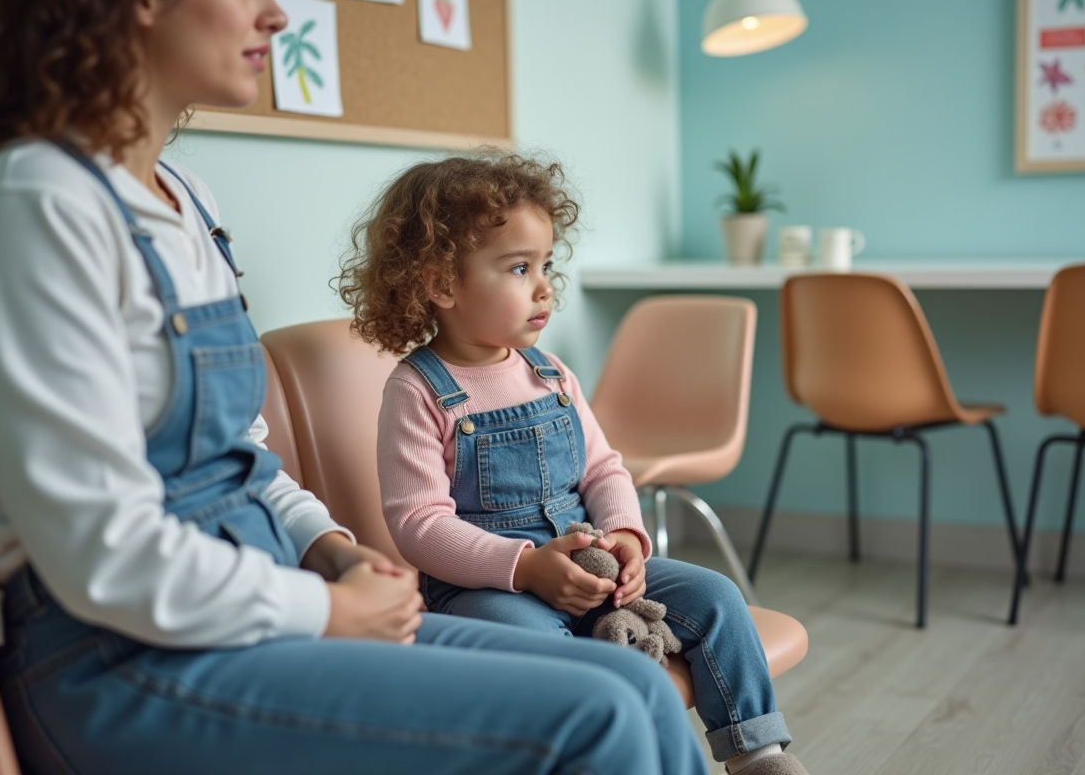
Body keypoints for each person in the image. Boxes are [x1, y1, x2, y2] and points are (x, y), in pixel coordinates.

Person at [0, 0, 712, 773]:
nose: (273, 12)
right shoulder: (29, 206)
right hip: (123, 661)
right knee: (597, 718)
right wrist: (323, 608)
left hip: (255, 599)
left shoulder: (186, 203)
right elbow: (100, 554)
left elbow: (239, 458)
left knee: (637, 686)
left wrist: (329, 550)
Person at [338, 155, 811, 775]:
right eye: (518, 267)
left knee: (718, 597)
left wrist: (623, 537)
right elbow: (420, 525)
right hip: (489, 584)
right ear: (441, 285)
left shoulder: (550, 374)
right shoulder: (418, 390)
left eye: (546, 265)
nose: (544, 287)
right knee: (528, 646)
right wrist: (525, 567)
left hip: (589, 562)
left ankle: (758, 754)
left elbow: (604, 470)